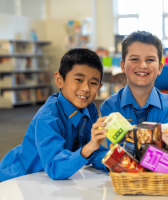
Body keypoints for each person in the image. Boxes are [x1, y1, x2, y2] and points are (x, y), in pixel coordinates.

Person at [0, 48, 109, 182]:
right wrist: (91, 146)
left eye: (93, 83)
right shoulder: (48, 118)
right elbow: (54, 166)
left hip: (49, 178)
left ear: (99, 87)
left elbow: (89, 148)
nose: (86, 88)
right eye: (79, 79)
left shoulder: (89, 108)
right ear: (59, 80)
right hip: (19, 179)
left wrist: (114, 161)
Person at [100, 31, 168, 127]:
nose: (143, 65)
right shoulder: (110, 106)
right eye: (135, 59)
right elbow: (116, 142)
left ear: (159, 68)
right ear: (122, 66)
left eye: (150, 60)